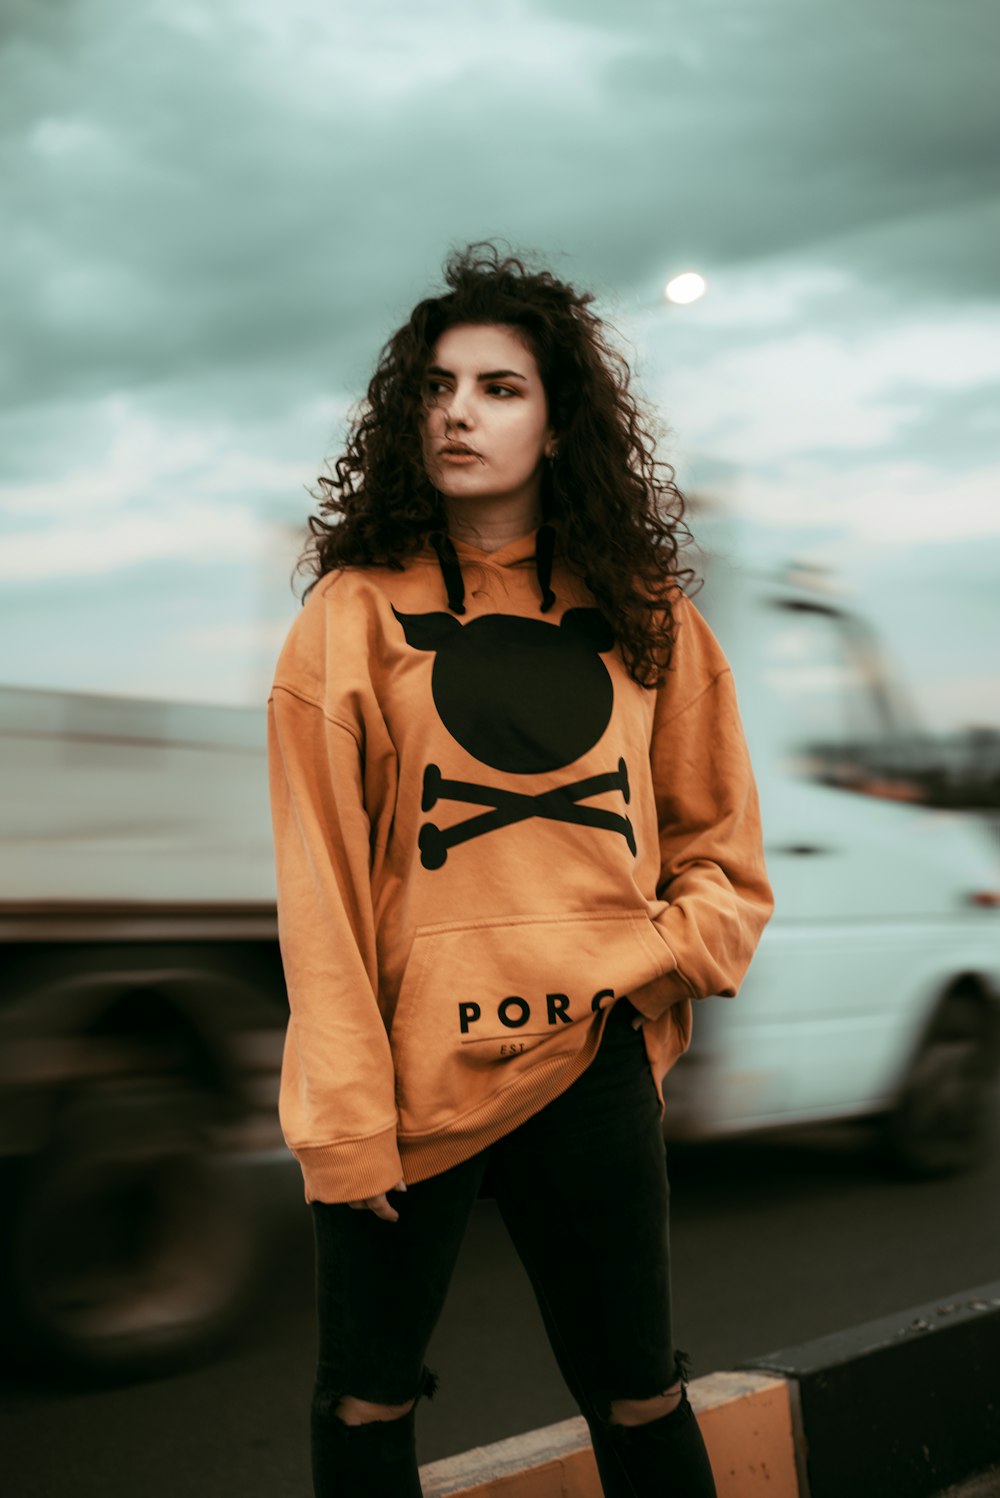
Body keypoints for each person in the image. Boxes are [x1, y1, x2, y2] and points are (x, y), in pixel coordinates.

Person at [267, 242, 774, 1497]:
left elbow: (720, 849)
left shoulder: (645, 613)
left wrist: (663, 954)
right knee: (365, 1403)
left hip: (588, 1056)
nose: (458, 412)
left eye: (500, 387)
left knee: (641, 1392)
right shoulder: (352, 615)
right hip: (408, 1076)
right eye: (438, 386)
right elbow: (318, 879)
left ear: (557, 425)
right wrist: (343, 1117)